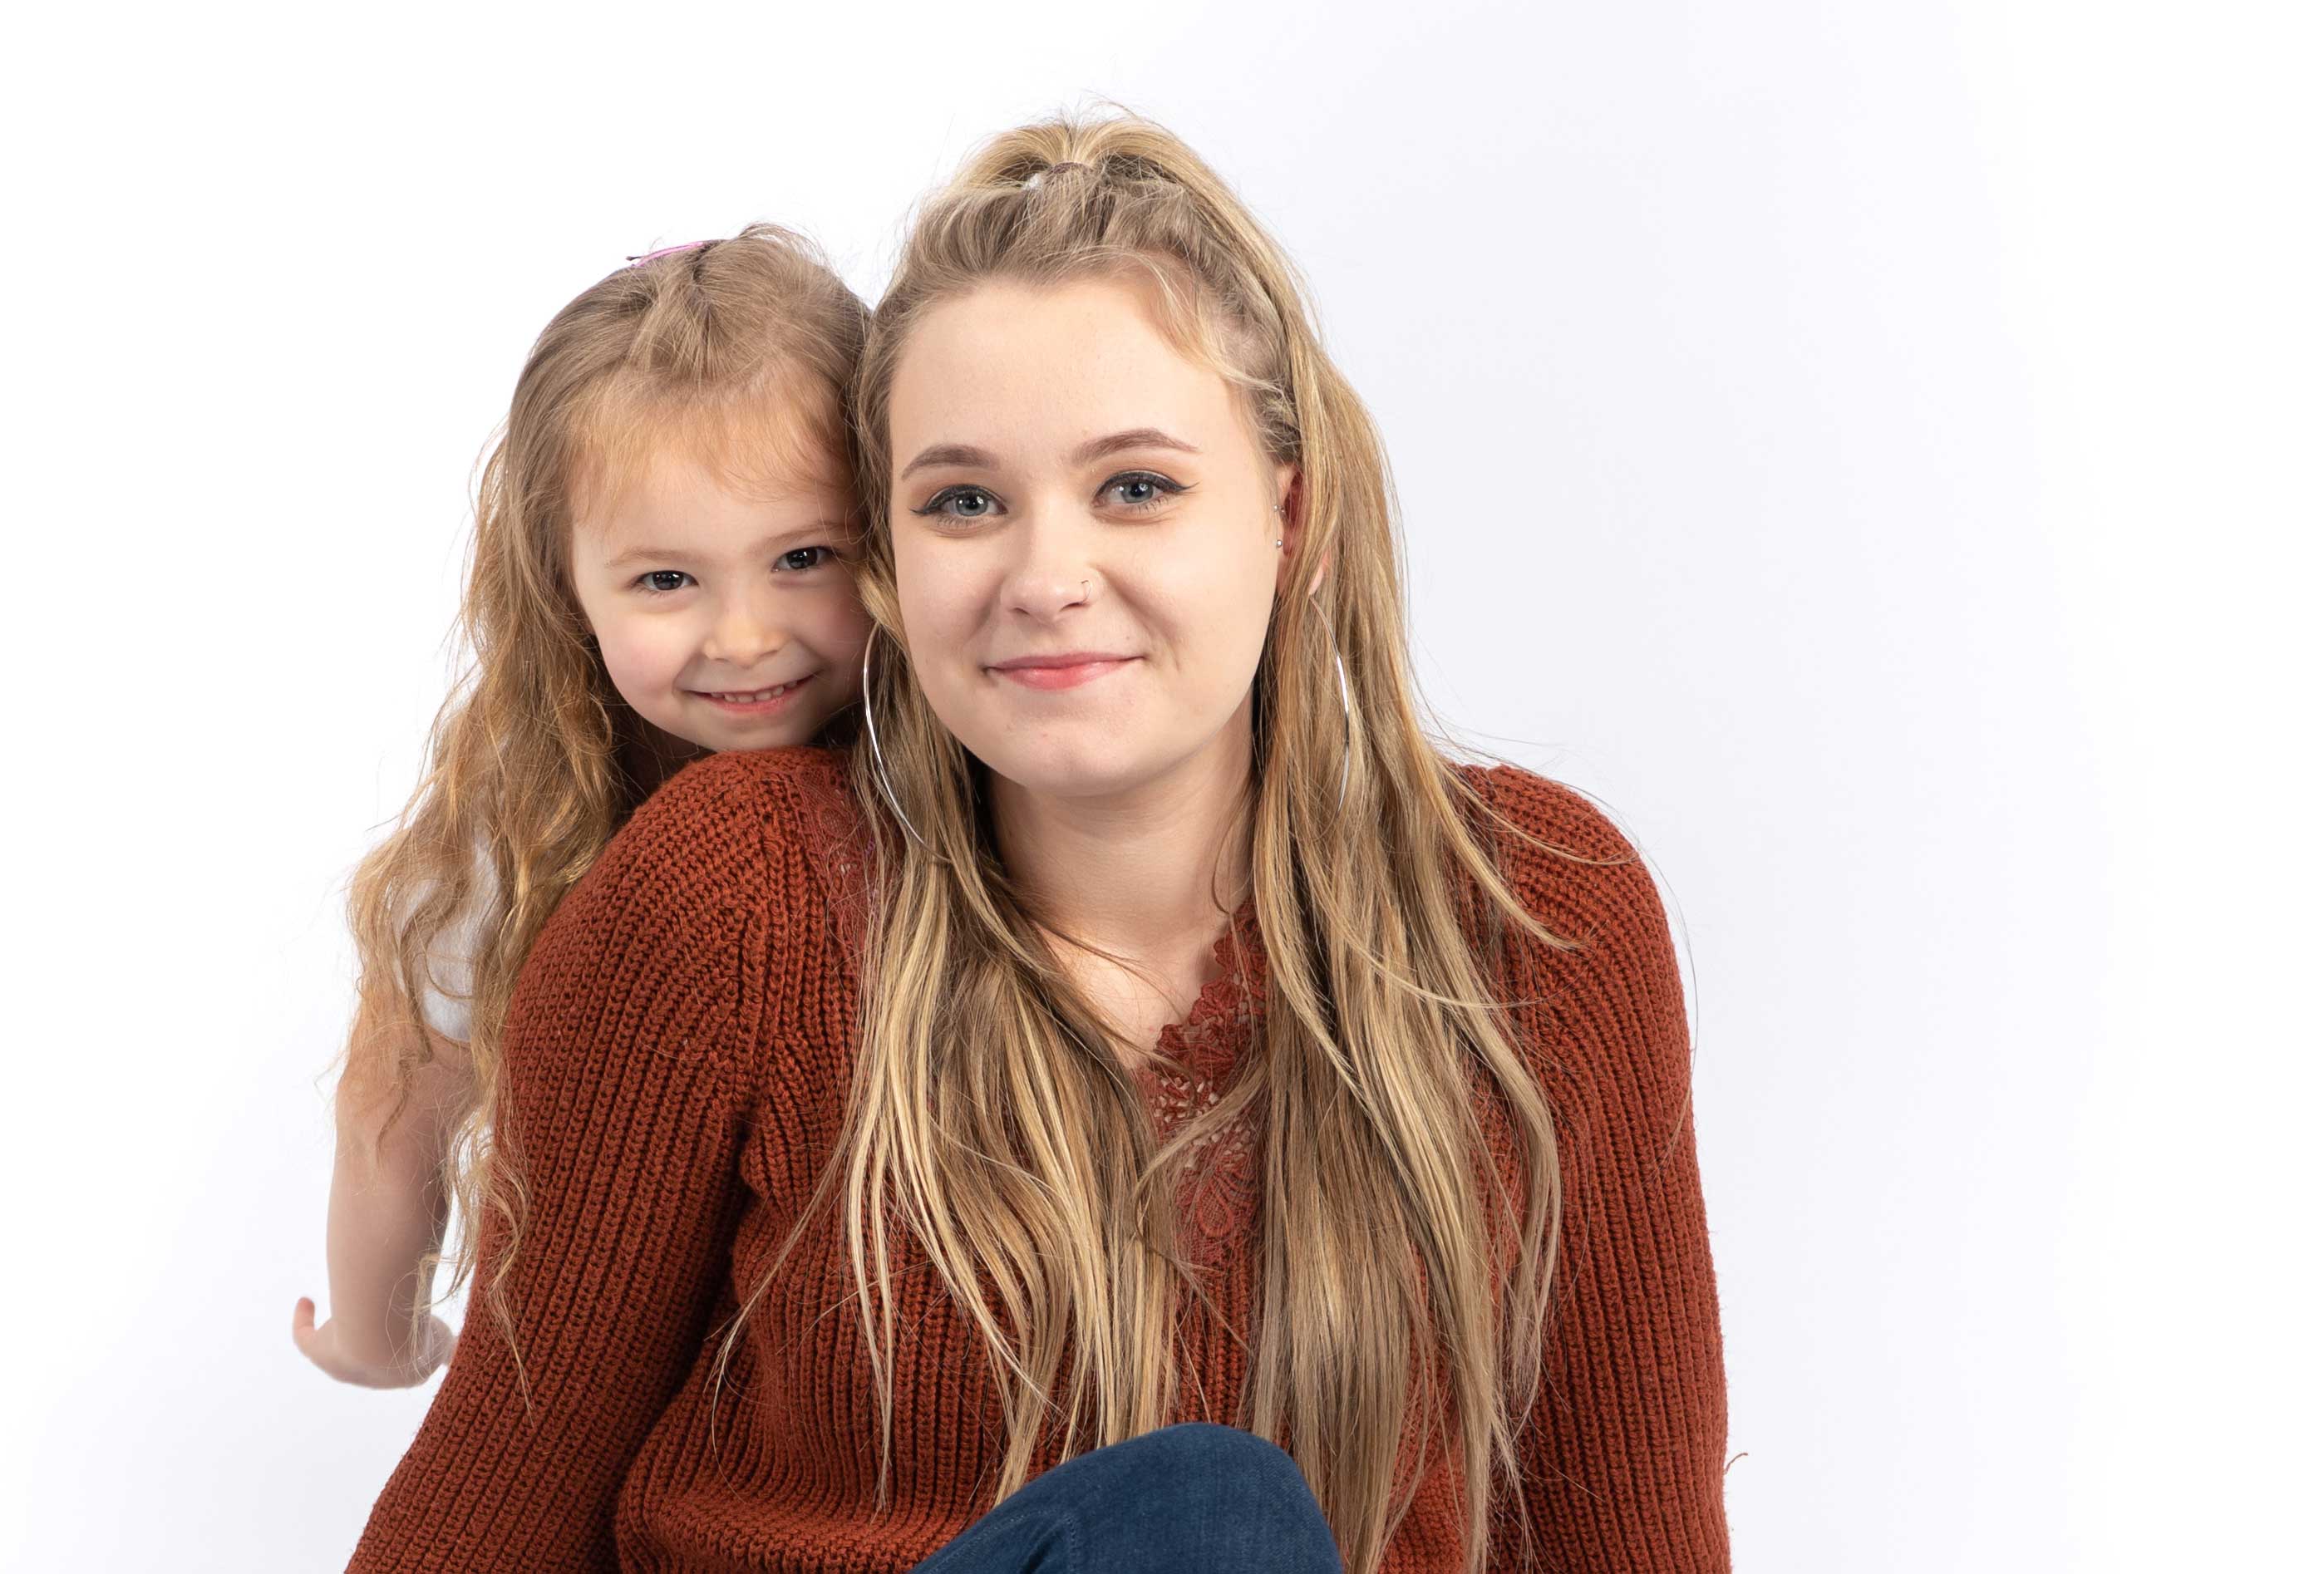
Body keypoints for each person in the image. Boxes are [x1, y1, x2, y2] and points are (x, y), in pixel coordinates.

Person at [347, 111, 1731, 1574]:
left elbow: (1624, 1539)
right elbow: (489, 1504)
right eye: (963, 503)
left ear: (1290, 514)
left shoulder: (1532, 917)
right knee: (1210, 1513)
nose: (1046, 577)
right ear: (888, 562)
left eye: (1135, 486)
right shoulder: (737, 899)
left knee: (1217, 1520)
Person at [291, 225, 873, 1390]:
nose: (745, 633)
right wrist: (374, 1329)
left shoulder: (964, 757)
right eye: (666, 579)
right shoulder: (525, 827)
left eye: (805, 556)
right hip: (648, 1364)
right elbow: (396, 1104)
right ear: (567, 582)